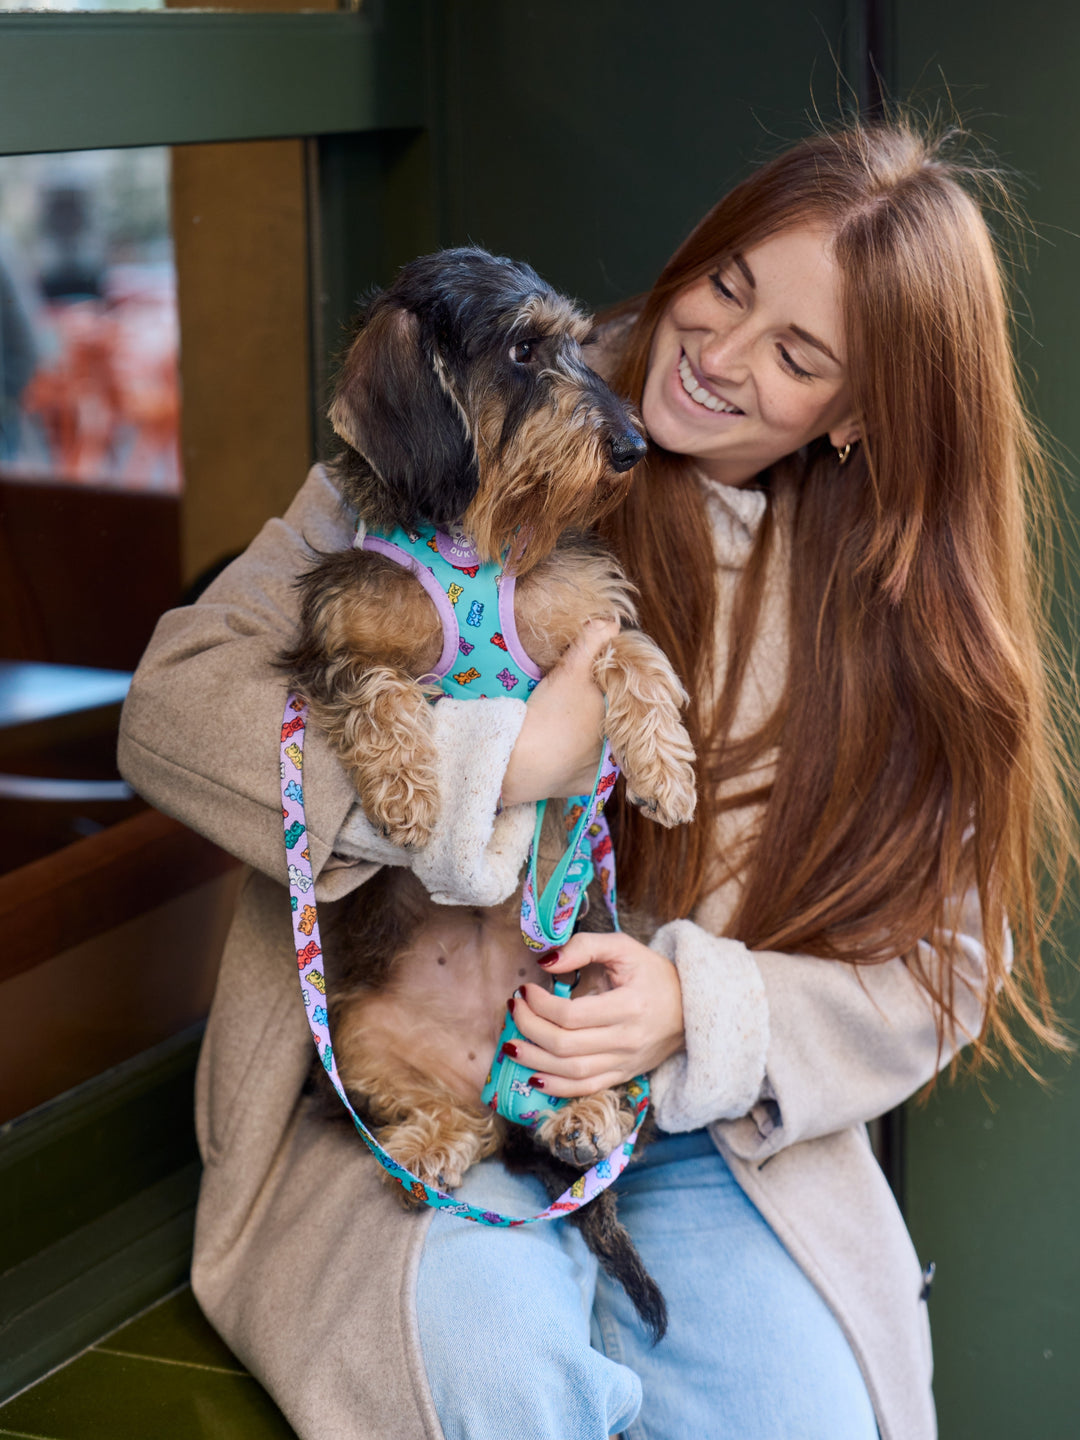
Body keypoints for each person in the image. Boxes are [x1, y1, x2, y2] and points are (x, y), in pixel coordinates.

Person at [118, 115, 1071, 1440]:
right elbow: (172, 708)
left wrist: (698, 1008)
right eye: (724, 287)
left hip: (709, 1137)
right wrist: (491, 766)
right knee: (503, 1376)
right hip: (409, 1095)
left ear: (860, 415)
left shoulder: (900, 607)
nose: (718, 358)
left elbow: (947, 962)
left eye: (798, 356)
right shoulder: (474, 414)